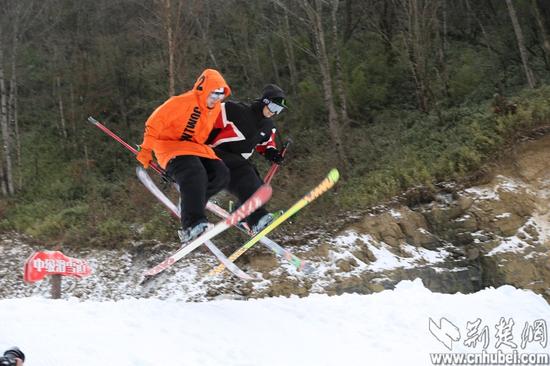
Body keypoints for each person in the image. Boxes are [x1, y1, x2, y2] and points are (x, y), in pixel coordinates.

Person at [136, 69, 231, 244]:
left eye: (220, 95)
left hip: (195, 148)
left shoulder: (215, 108)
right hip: (171, 148)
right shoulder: (182, 102)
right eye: (214, 93)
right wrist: (146, 150)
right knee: (195, 172)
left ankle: (190, 202)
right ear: (203, 90)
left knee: (221, 174)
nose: (216, 99)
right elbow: (153, 123)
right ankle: (191, 224)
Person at [207, 84, 287, 234]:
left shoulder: (268, 126)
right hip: (213, 155)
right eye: (273, 107)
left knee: (259, 188)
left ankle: (241, 214)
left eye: (279, 110)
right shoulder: (234, 110)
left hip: (235, 163)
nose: (274, 113)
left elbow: (266, 144)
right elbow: (206, 121)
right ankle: (256, 218)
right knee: (247, 174)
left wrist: (272, 153)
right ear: (265, 101)